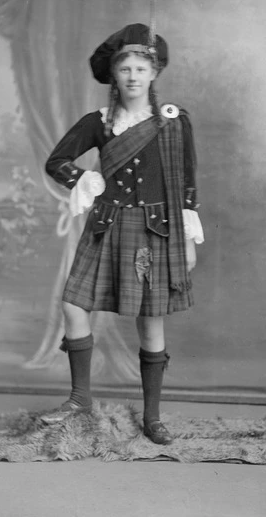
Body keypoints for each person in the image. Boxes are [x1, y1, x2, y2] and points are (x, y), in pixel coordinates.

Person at [41, 22, 204, 445]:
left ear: (154, 74)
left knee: (150, 323)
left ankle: (152, 418)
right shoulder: (97, 122)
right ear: (114, 74)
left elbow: (186, 184)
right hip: (107, 226)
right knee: (74, 306)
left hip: (156, 231)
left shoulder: (172, 122)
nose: (132, 76)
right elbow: (57, 161)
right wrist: (83, 179)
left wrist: (186, 239)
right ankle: (80, 400)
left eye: (140, 69)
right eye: (125, 68)